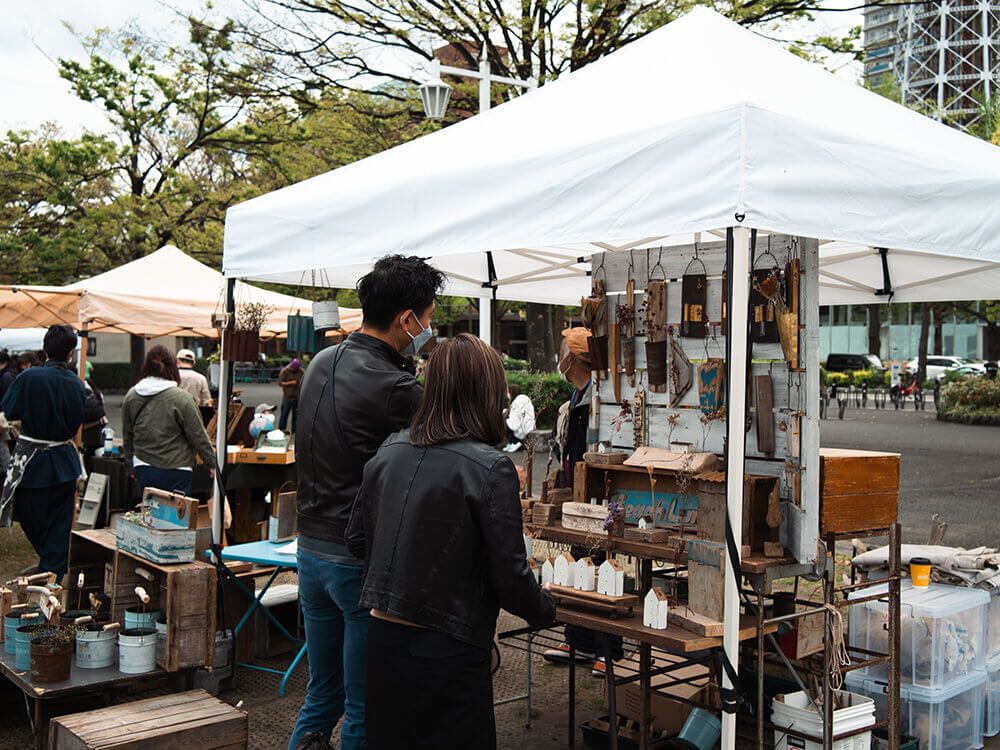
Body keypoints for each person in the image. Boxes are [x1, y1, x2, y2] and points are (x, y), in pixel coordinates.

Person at [346, 333, 555, 750]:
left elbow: (356, 539)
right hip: (448, 648)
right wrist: (549, 608)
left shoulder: (389, 451)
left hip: (384, 640)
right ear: (488, 390)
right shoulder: (490, 467)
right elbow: (511, 578)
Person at [288, 254, 445, 750]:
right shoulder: (398, 387)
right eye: (430, 316)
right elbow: (440, 459)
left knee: (321, 696)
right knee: (364, 708)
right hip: (356, 560)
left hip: (309, 550)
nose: (431, 327)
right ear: (407, 319)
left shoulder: (319, 362)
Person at [542, 327, 623, 676]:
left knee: (603, 567)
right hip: (574, 488)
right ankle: (576, 639)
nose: (559, 357)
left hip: (599, 490)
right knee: (575, 562)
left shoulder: (601, 398)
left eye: (562, 351)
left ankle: (608, 649)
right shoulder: (575, 398)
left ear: (572, 358)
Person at [0, 325, 85, 578]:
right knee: (60, 524)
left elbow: (10, 410)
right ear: (70, 353)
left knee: (28, 515)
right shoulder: (76, 383)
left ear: (45, 349)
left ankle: (50, 569)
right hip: (64, 461)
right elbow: (78, 419)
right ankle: (53, 570)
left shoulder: (29, 377)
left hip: (32, 462)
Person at [122, 346, 215, 498]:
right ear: (173, 367)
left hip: (143, 466)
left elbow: (128, 436)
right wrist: (211, 463)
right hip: (177, 468)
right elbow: (198, 435)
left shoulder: (131, 396)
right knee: (175, 519)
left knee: (149, 517)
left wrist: (130, 466)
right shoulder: (182, 399)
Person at [502, 383, 536, 453]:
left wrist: (504, 419)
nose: (507, 395)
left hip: (520, 432)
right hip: (528, 427)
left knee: (501, 420)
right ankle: (513, 443)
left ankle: (514, 443)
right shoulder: (523, 399)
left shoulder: (517, 402)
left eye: (508, 392)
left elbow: (514, 425)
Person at [278, 358, 304, 433]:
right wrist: (291, 383)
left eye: (296, 369)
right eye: (293, 369)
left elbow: (304, 381)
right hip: (287, 397)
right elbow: (280, 383)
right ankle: (281, 429)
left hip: (297, 397)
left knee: (296, 416)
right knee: (284, 414)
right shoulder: (285, 371)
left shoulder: (301, 371)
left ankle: (294, 431)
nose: (295, 370)